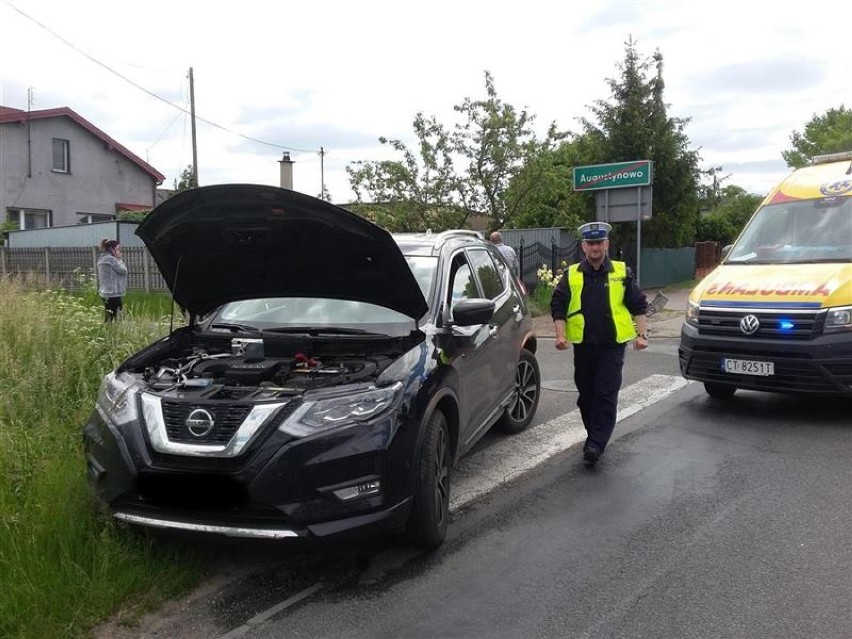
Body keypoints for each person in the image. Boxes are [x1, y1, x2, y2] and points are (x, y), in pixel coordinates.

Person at [550, 222, 648, 466]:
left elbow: (638, 304)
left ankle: (596, 443)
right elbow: (558, 306)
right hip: (584, 345)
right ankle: (594, 434)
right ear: (584, 246)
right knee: (586, 395)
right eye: (590, 243)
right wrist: (560, 336)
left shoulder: (621, 272)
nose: (595, 247)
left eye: (599, 243)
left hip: (612, 345)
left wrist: (642, 335)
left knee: (605, 393)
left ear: (607, 244)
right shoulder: (572, 274)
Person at [97, 238, 128, 322]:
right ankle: (111, 332)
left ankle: (109, 332)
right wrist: (119, 259)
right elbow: (124, 271)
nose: (120, 252)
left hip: (106, 293)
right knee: (117, 316)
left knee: (110, 316)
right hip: (112, 293)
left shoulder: (102, 258)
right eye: (118, 250)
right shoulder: (111, 259)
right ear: (112, 250)